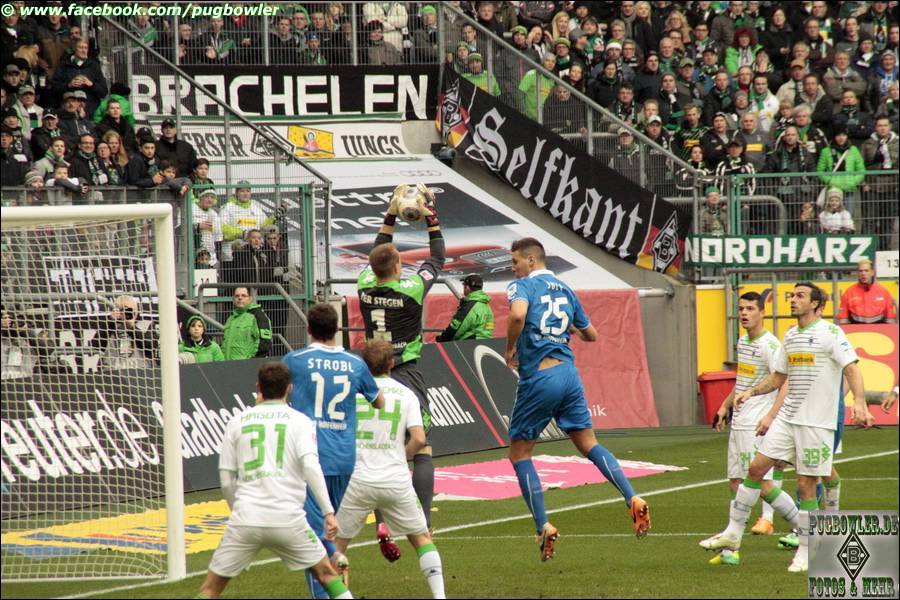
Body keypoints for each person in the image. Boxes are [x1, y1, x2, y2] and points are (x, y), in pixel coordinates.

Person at [700, 282, 871, 573]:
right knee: (755, 470)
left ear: (815, 304)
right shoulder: (790, 336)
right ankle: (733, 533)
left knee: (806, 485)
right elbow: (778, 377)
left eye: (800, 296)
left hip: (815, 422)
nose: (793, 299)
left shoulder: (830, 333)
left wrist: (860, 402)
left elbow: (852, 368)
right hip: (788, 419)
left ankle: (806, 550)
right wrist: (751, 392)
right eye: (792, 295)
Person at [504, 237, 650, 561]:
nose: (512, 268)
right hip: (569, 375)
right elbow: (592, 334)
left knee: (520, 453)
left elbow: (517, 316)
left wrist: (510, 348)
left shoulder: (522, 287)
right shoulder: (567, 291)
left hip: (540, 376)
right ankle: (632, 497)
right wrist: (568, 328)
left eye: (515, 262)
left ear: (531, 260)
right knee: (588, 443)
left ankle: (542, 525)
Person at [195, 362, 353, 600]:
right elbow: (311, 466)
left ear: (258, 387)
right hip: (288, 519)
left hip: (246, 519)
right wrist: (328, 512)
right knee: (327, 575)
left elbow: (226, 479)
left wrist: (237, 511)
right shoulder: (300, 421)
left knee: (210, 589)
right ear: (289, 388)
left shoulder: (237, 422)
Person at [357, 183, 445, 546]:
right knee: (420, 447)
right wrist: (431, 217)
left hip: (371, 373)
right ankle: (422, 522)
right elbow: (437, 258)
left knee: (380, 445)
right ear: (397, 266)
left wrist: (391, 213)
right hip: (406, 371)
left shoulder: (363, 284)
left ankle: (382, 522)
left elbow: (376, 254)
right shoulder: (412, 289)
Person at [281, 303, 383, 597]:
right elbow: (379, 401)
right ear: (337, 329)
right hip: (343, 457)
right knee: (326, 530)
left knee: (314, 537)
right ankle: (335, 574)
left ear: (308, 329)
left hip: (311, 456)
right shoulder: (355, 364)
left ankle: (330, 590)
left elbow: (277, 395)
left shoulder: (295, 361)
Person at [334, 339, 445, 599]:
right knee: (421, 539)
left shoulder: (350, 394)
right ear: (392, 363)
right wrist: (400, 455)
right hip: (395, 479)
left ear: (364, 365)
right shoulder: (406, 394)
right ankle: (440, 596)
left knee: (335, 547)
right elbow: (419, 438)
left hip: (357, 480)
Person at [708, 292, 797, 565]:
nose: (744, 313)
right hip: (739, 421)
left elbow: (784, 382)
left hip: (755, 423)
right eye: (741, 309)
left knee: (761, 484)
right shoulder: (743, 341)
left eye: (750, 309)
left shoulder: (770, 345)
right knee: (736, 482)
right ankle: (730, 550)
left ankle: (804, 528)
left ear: (762, 312)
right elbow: (743, 381)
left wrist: (771, 416)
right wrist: (724, 406)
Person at [435, 274, 495, 342]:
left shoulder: (469, 306)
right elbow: (489, 328)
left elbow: (456, 328)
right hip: (485, 343)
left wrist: (442, 338)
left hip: (469, 344)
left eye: (464, 285)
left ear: (467, 287)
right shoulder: (486, 306)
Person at [836, 259, 897, 324]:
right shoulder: (849, 292)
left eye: (866, 270)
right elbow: (843, 320)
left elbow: (890, 319)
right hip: (856, 329)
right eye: (861, 271)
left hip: (878, 329)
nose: (863, 273)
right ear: (857, 273)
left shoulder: (883, 292)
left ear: (872, 273)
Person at [222, 287, 272, 360]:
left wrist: (250, 362)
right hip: (227, 364)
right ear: (233, 299)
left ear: (250, 299)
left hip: (247, 365)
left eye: (243, 295)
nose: (240, 298)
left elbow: (265, 344)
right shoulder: (231, 318)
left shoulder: (258, 316)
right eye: (237, 296)